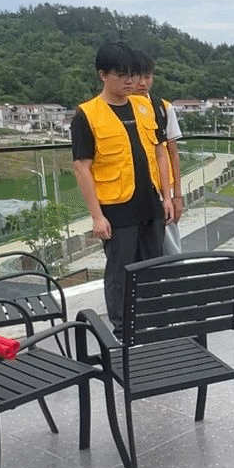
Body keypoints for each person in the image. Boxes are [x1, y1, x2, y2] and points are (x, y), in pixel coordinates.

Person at [71, 41, 173, 333]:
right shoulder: (87, 115)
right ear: (103, 75)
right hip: (117, 208)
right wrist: (97, 216)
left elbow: (160, 152)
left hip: (150, 203)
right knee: (121, 272)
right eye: (121, 75)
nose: (130, 81)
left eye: (133, 74)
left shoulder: (145, 107)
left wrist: (166, 196)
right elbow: (82, 167)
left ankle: (154, 322)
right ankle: (122, 329)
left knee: (153, 266)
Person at [133, 51, 186, 254]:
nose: (143, 83)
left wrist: (176, 196)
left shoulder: (163, 108)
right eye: (138, 77)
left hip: (163, 192)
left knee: (170, 249)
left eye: (147, 77)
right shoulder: (120, 108)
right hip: (133, 192)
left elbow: (172, 153)